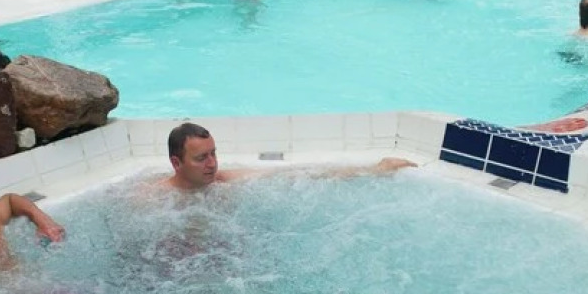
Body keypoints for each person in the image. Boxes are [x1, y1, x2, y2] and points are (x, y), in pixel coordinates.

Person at [165, 122, 415, 192]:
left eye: (214, 154)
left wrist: (373, 169)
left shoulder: (224, 181)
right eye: (201, 158)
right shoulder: (150, 199)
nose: (212, 164)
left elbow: (299, 175)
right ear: (177, 163)